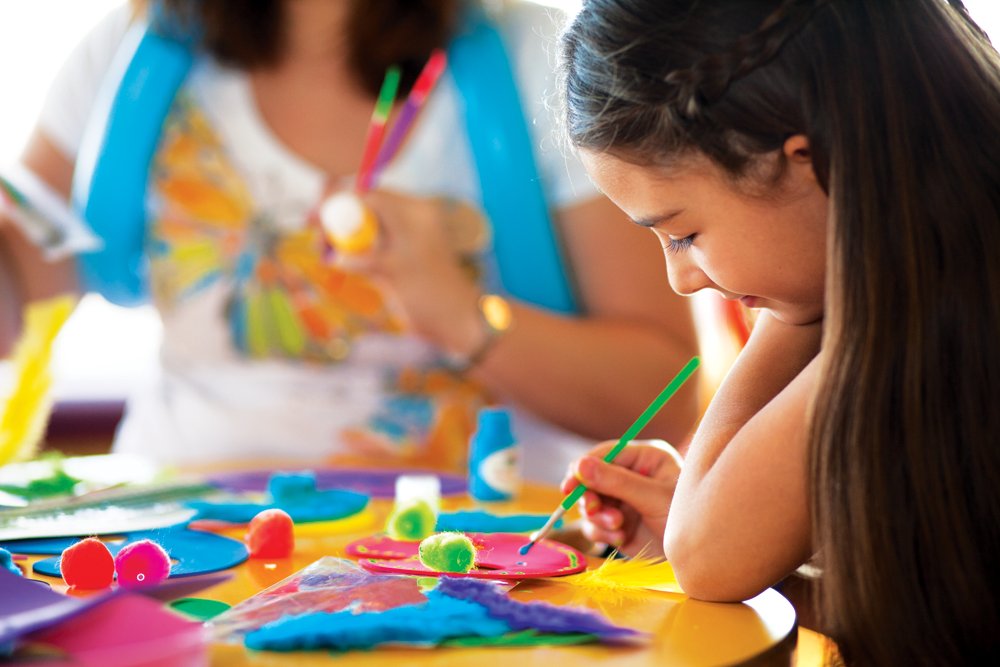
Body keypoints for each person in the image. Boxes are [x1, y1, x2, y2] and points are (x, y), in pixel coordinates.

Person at [0, 0, 698, 483]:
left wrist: (464, 316)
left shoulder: (545, 63)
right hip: (181, 551)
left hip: (472, 556)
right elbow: (22, 277)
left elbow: (665, 397)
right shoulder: (128, 51)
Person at [557, 0, 1000, 663]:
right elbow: (943, 608)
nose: (683, 279)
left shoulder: (919, 305)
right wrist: (757, 544)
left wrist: (785, 320)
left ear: (806, 162)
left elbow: (708, 554)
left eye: (683, 234)